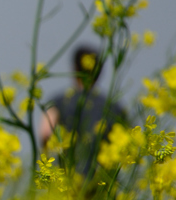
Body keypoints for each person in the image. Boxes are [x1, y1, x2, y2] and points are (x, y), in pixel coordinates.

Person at [39, 44, 127, 178]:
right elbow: (127, 145)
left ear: (75, 68)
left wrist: (46, 169)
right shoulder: (114, 107)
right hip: (102, 181)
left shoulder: (59, 102)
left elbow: (45, 133)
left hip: (68, 179)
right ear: (99, 71)